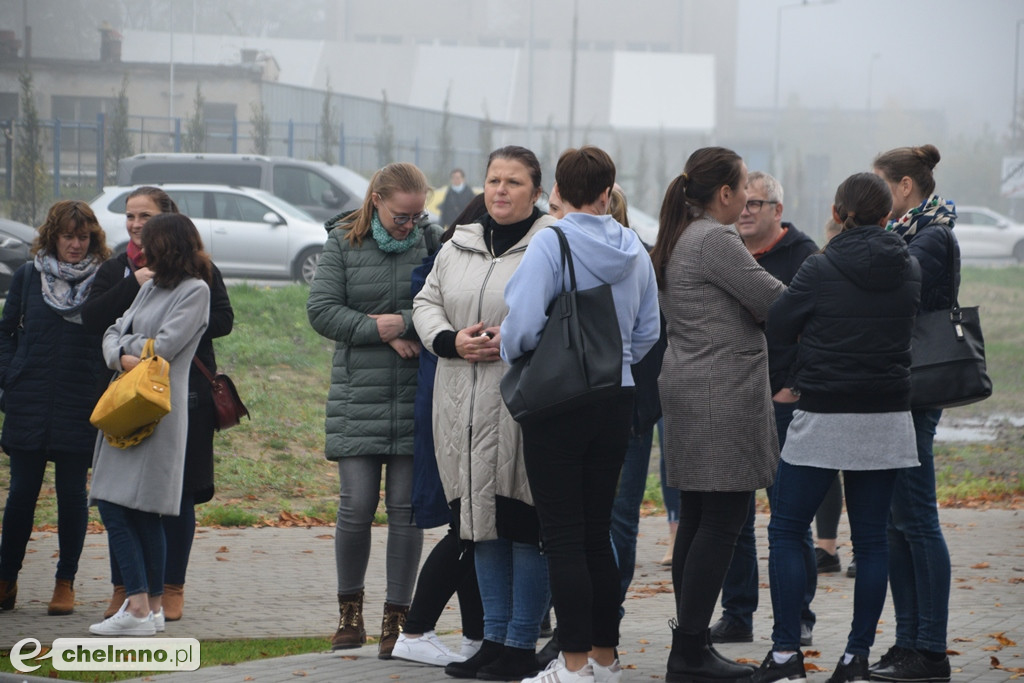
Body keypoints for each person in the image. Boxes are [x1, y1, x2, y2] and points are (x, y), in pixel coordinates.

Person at [751, 172, 922, 683]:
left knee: (785, 528)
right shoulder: (909, 267)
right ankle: (856, 657)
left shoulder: (819, 267)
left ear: (836, 210)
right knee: (871, 542)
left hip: (823, 412)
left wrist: (803, 359)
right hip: (888, 416)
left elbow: (779, 323)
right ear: (888, 214)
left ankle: (786, 656)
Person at [502, 146, 660, 683]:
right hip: (616, 401)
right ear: (609, 192)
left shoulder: (552, 240)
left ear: (557, 193)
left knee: (563, 537)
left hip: (559, 402)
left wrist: (516, 355)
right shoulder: (636, 247)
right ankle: (604, 658)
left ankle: (571, 666)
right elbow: (648, 332)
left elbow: (521, 323)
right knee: (597, 535)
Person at [413, 145, 554, 681]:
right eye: (494, 179)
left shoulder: (550, 244)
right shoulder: (459, 243)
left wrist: (512, 341)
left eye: (514, 182)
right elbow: (425, 304)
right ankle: (492, 641)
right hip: (459, 406)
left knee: (522, 525)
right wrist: (449, 340)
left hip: (517, 405)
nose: (500, 190)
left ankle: (521, 644)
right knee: (477, 528)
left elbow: (561, 317)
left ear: (536, 192)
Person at [649, 146, 784, 683]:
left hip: (692, 385)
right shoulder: (715, 238)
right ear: (724, 193)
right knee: (722, 520)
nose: (750, 195)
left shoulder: (683, 234)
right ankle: (689, 652)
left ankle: (693, 642)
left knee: (701, 519)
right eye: (745, 184)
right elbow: (774, 300)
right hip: (719, 392)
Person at [81, 186, 234, 623]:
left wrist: (126, 349)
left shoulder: (194, 290)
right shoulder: (146, 285)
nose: (138, 241)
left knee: (136, 506)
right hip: (124, 405)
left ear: (169, 245)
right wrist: (125, 351)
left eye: (149, 236)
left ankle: (143, 603)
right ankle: (142, 606)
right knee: (119, 504)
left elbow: (163, 347)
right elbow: (110, 329)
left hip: (158, 413)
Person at [306, 162, 436, 658]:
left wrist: (404, 323)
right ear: (377, 201)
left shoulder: (432, 238)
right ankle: (350, 614)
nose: (411, 224)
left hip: (413, 394)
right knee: (356, 507)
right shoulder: (343, 241)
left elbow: (442, 302)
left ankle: (396, 621)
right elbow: (321, 310)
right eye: (402, 216)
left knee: (406, 513)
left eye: (417, 215)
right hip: (358, 395)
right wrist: (380, 331)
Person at [710, 171, 819, 647]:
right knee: (734, 515)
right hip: (733, 396)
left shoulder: (805, 257)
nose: (748, 209)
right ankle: (737, 614)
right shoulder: (724, 251)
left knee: (788, 517)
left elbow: (819, 330)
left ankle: (798, 615)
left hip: (782, 401)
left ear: (779, 209)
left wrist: (793, 388)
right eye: (743, 201)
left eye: (759, 202)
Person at [869, 144, 958, 683]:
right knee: (897, 523)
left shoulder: (933, 234)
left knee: (917, 519)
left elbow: (901, 283)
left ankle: (931, 651)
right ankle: (907, 644)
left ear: (904, 186)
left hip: (919, 390)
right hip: (897, 388)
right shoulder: (909, 229)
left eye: (880, 184)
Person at [0, 200, 110, 615]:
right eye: (68, 236)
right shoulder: (29, 276)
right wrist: (11, 375)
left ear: (92, 238)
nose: (76, 245)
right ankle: (6, 578)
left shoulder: (103, 280)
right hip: (28, 402)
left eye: (83, 237)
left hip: (79, 404)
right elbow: (5, 332)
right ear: (53, 236)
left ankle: (65, 583)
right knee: (21, 497)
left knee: (71, 498)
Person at [392, 192, 487, 667]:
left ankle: (475, 636)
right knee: (467, 529)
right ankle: (416, 628)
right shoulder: (447, 267)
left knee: (472, 529)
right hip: (452, 412)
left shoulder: (445, 264)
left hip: (459, 410)